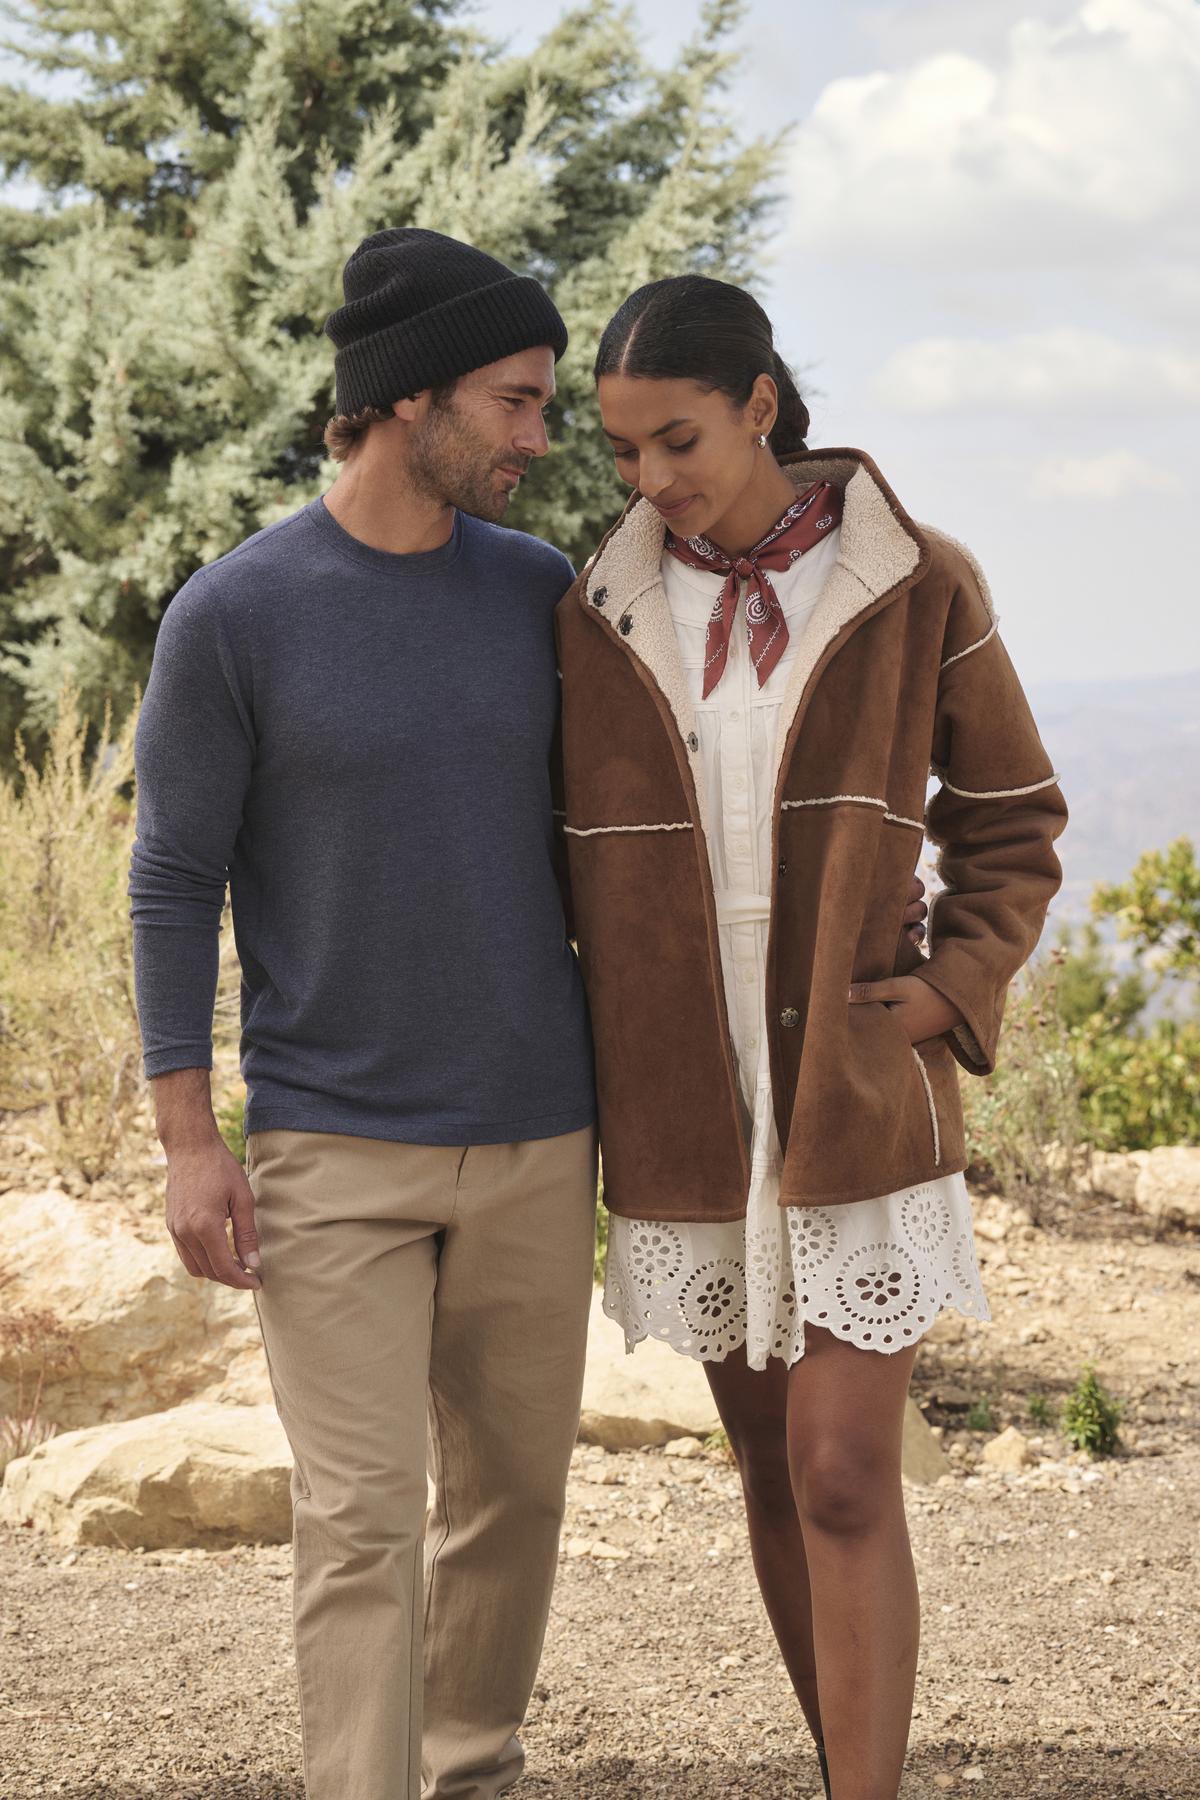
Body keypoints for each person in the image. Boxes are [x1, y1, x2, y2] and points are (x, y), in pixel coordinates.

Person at [554, 274, 1067, 1800]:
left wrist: (957, 986)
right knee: (775, 1475)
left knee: (845, 1467)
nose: (652, 481)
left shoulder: (919, 583)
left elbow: (1015, 821)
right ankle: (842, 1761)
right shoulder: (601, 606)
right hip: (686, 1101)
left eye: (680, 440)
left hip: (850, 1083)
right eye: (626, 453)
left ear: (762, 405)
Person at [128, 228, 602, 1800]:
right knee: (360, 1513)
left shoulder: (543, 597)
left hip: (540, 1135)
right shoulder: (236, 615)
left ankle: (467, 1769)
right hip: (336, 1147)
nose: (543, 437)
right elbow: (171, 882)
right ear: (412, 403)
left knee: (517, 1497)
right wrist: (192, 1144)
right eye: (518, 403)